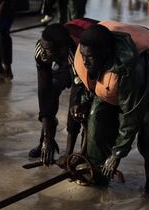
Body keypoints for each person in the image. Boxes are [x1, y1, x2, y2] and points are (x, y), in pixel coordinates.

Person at [71, 22, 149, 199]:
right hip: (111, 77)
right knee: (96, 118)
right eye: (83, 56)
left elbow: (131, 115)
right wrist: (82, 103)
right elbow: (85, 84)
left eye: (90, 58)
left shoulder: (132, 67)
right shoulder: (86, 53)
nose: (85, 61)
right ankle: (97, 172)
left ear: (104, 54)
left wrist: (116, 155)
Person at [29, 19, 99, 165]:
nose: (43, 53)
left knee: (78, 108)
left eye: (47, 50)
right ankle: (45, 140)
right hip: (65, 55)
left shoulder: (77, 56)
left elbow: (76, 98)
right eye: (42, 46)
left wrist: (68, 155)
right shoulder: (41, 49)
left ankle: (71, 151)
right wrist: (47, 138)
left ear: (60, 49)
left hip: (89, 55)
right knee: (50, 91)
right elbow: (44, 92)